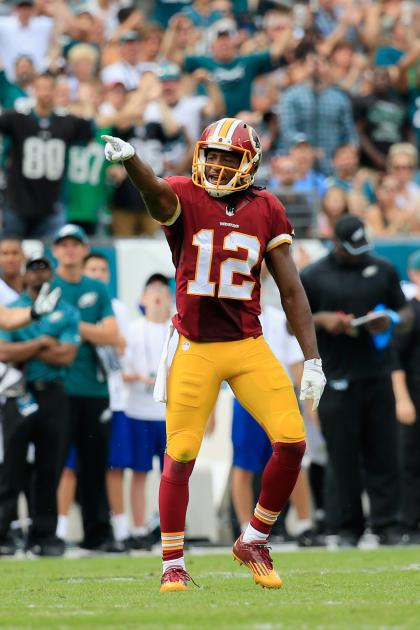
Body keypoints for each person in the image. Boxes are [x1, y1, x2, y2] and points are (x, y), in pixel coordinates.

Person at [102, 116, 326, 591]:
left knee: (292, 441)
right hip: (195, 345)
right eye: (213, 155)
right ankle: (172, 564)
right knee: (180, 453)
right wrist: (133, 161)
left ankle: (255, 537)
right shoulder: (183, 194)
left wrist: (313, 358)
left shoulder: (267, 207)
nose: (219, 165)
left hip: (247, 344)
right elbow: (155, 192)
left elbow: (291, 289)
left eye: (230, 157)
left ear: (250, 163)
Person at [300, 214, 413, 547]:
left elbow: (405, 314)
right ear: (336, 243)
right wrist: (325, 320)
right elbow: (297, 323)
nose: (360, 254)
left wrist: (390, 319)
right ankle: (348, 527)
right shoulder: (314, 276)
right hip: (336, 379)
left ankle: (388, 524)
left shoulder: (382, 270)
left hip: (377, 375)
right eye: (353, 249)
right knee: (343, 457)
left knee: (384, 454)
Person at [0, 254, 80, 556]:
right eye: (33, 270)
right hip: (19, 390)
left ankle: (43, 536)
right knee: (12, 467)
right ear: (25, 275)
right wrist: (42, 343)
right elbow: (3, 351)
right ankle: (3, 532)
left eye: (44, 270)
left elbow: (66, 355)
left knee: (51, 466)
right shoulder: (14, 308)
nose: (39, 276)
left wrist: (26, 350)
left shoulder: (66, 310)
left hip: (53, 392)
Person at [52, 224, 119, 552]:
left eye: (75, 244)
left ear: (84, 249)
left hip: (94, 390)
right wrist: (89, 327)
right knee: (54, 466)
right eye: (63, 244)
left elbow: (111, 334)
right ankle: (49, 532)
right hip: (58, 390)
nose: (69, 250)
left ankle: (99, 534)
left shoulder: (98, 288)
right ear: (55, 250)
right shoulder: (48, 285)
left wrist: (67, 321)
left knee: (95, 466)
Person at [230, 301, 318, 547]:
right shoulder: (232, 317)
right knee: (243, 464)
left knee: (292, 461)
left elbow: (294, 363)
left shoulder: (280, 319)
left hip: (279, 397)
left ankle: (304, 524)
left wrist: (310, 403)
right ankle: (244, 529)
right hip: (244, 398)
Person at [0, 72, 93, 238]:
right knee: (11, 254)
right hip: (17, 204)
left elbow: (90, 130)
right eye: (41, 88)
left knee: (51, 257)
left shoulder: (66, 122)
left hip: (51, 206)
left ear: (57, 91)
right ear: (33, 91)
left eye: (50, 88)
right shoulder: (18, 119)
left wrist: (81, 100)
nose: (45, 93)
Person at [122, 273, 172, 549]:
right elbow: (122, 371)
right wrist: (138, 378)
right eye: (151, 290)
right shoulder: (132, 329)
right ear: (142, 298)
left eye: (162, 291)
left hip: (169, 413)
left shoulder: (176, 330)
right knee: (139, 472)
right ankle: (139, 528)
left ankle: (171, 529)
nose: (157, 296)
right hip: (139, 411)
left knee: (172, 474)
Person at [392, 250, 420, 542]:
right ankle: (409, 522)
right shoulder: (409, 314)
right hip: (414, 390)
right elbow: (396, 360)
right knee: (410, 459)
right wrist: (402, 398)